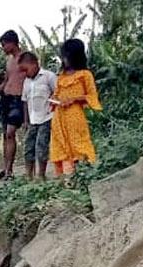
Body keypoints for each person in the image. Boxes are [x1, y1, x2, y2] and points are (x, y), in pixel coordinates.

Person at [50, 38, 102, 179]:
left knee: (79, 145)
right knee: (62, 146)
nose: (65, 59)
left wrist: (74, 99)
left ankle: (85, 175)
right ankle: (68, 181)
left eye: (67, 56)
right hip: (59, 118)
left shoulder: (85, 75)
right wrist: (54, 101)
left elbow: (92, 96)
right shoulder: (61, 76)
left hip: (75, 117)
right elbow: (56, 94)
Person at [18, 52, 57, 180]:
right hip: (32, 119)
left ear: (34, 64)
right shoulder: (26, 82)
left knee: (41, 146)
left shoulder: (48, 77)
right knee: (28, 147)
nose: (25, 73)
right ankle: (29, 175)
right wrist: (25, 121)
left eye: (25, 69)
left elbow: (58, 93)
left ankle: (41, 175)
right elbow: (25, 102)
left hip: (46, 117)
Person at [0, 30, 26, 180]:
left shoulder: (25, 58)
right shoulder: (9, 60)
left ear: (12, 43)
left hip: (18, 99)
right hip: (6, 98)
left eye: (4, 45)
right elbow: (7, 80)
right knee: (5, 134)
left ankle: (10, 170)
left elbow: (31, 78)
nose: (3, 48)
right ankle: (5, 168)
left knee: (10, 132)